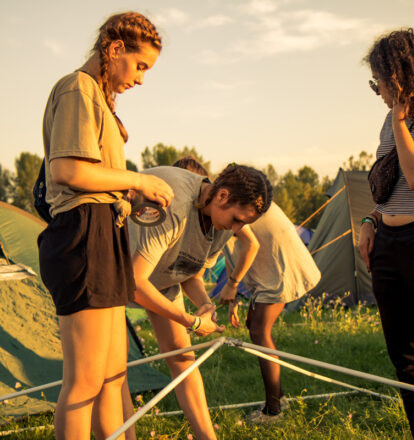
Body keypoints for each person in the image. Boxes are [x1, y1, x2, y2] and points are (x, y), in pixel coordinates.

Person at [37, 12, 174, 439]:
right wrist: (137, 179)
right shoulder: (77, 88)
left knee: (113, 375)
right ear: (115, 50)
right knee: (85, 382)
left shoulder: (97, 98)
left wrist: (130, 198)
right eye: (140, 66)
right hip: (82, 234)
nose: (140, 80)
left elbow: (95, 178)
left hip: (104, 229)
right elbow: (66, 172)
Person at [126, 163, 272, 439]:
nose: (239, 229)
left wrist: (204, 303)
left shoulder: (222, 224)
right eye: (238, 219)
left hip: (159, 279)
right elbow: (135, 283)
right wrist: (190, 321)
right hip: (114, 274)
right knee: (113, 373)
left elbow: (187, 270)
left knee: (183, 357)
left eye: (245, 223)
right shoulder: (174, 205)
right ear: (222, 196)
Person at [359, 28, 414, 440]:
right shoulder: (391, 122)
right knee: (408, 361)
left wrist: (400, 120)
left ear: (402, 74)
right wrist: (372, 221)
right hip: (388, 246)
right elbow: (388, 185)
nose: (378, 91)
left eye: (380, 81)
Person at [221, 202, 321, 423]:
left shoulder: (229, 206)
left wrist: (233, 284)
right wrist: (233, 298)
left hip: (282, 267)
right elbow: (228, 250)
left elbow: (251, 245)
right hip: (272, 270)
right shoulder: (223, 205)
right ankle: (279, 398)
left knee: (259, 331)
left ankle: (274, 410)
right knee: (254, 327)